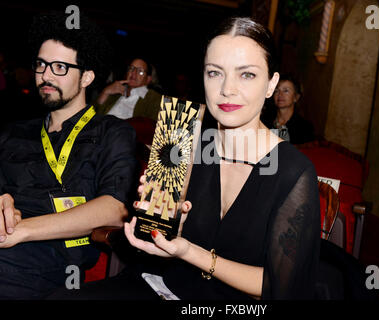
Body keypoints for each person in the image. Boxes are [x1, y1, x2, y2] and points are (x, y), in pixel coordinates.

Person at [50, 16, 320, 300]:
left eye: (247, 74)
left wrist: (190, 252)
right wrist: (159, 224)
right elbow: (158, 249)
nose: (227, 89)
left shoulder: (293, 171)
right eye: (215, 73)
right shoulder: (180, 140)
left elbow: (281, 289)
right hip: (164, 286)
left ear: (271, 84)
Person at [0, 13, 138, 299]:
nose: (46, 75)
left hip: (47, 263)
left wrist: (23, 229)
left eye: (60, 67)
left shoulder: (112, 132)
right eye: (41, 64)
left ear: (87, 76)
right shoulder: (13, 132)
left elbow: (115, 208)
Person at [95, 57, 162, 121]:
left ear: (148, 79)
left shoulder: (155, 99)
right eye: (131, 68)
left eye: (140, 71)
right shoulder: (115, 92)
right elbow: (89, 117)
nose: (133, 73)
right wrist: (105, 92)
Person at [262, 74, 315, 144]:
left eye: (286, 91)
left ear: (296, 97)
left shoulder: (304, 127)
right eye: (276, 90)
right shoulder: (264, 121)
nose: (280, 94)